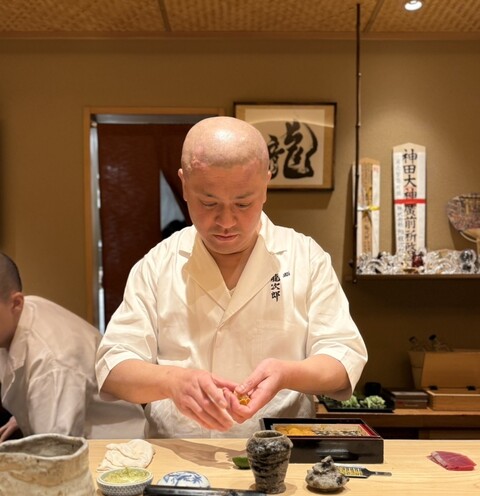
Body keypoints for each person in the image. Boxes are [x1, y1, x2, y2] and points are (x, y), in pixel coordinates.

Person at [96, 116, 367, 438]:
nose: (226, 221)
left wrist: (286, 374)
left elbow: (342, 358)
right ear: (184, 184)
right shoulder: (158, 264)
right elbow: (114, 367)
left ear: (266, 184)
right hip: (179, 451)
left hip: (280, 447)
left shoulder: (305, 257)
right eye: (208, 202)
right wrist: (171, 381)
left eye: (243, 203)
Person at [0, 253, 146, 442]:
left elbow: (55, 448)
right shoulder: (20, 314)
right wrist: (23, 415)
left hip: (112, 446)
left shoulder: (52, 360)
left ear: (16, 303)